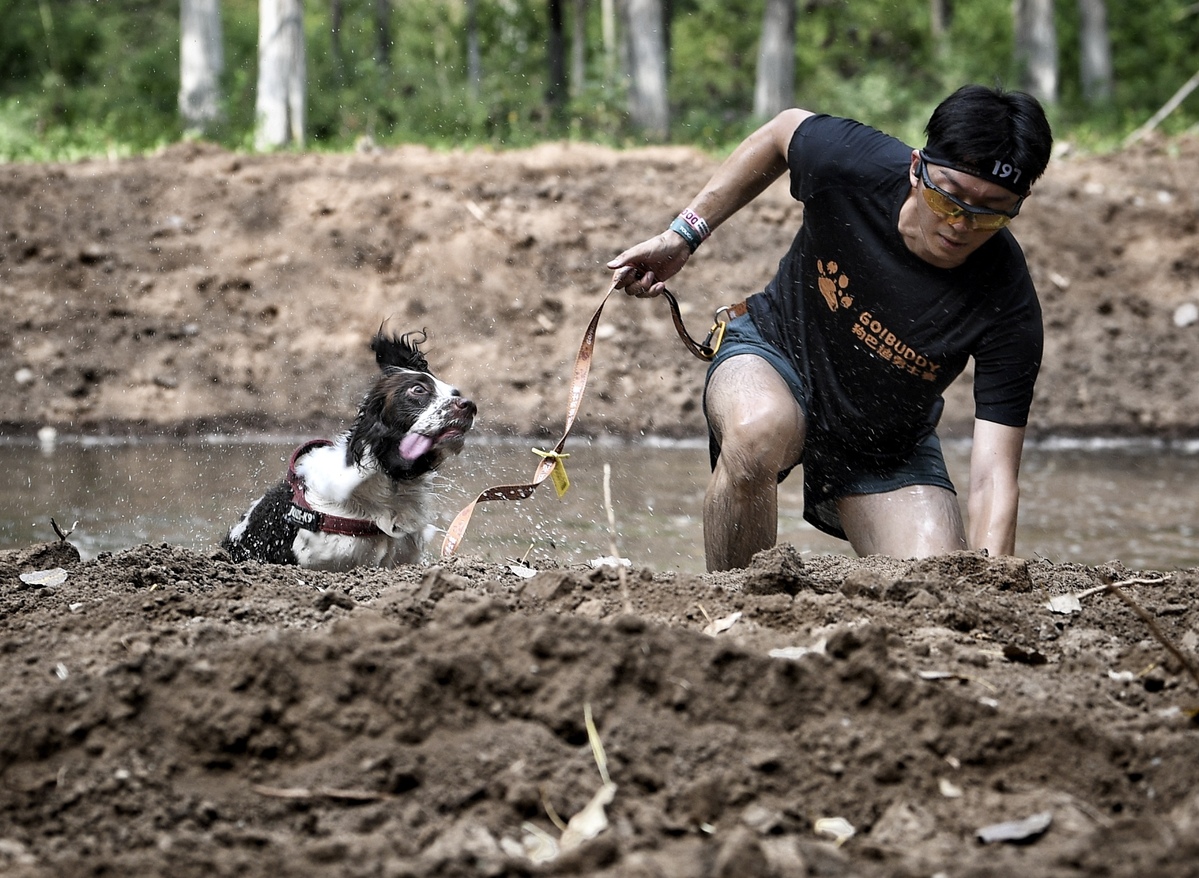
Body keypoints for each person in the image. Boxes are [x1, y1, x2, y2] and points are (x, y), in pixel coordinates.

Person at [607, 85, 1054, 572]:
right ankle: (733, 613)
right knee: (758, 430)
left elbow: (994, 476)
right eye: (949, 197)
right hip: (776, 356)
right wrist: (684, 235)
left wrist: (992, 584)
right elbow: (782, 131)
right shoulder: (852, 163)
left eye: (989, 212)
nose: (960, 224)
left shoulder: (1008, 301)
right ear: (916, 167)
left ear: (1018, 204)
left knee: (941, 579)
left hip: (885, 441)